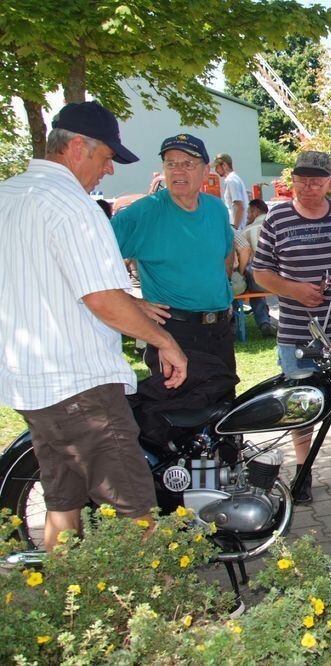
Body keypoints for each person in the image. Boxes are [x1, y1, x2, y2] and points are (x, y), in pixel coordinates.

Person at [0, 101, 188, 550]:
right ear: (77, 147)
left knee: (62, 501)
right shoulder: (72, 205)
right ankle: (154, 595)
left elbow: (45, 281)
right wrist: (164, 341)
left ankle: (66, 589)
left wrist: (132, 305)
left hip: (32, 383)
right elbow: (100, 298)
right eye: (106, 157)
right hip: (80, 386)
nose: (109, 169)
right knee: (133, 511)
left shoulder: (9, 194)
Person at [252, 151, 331, 504]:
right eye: (302, 181)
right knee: (301, 403)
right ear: (293, 182)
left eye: (316, 182)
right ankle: (303, 470)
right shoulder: (277, 219)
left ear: (329, 183)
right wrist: (294, 290)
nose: (308, 188)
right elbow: (260, 272)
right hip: (297, 332)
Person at [112, 133, 238, 400]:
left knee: (225, 412)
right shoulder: (143, 212)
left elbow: (226, 252)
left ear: (205, 170)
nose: (178, 171)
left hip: (220, 331)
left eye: (188, 164)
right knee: (180, 415)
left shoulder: (216, 208)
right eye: (171, 164)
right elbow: (88, 261)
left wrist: (224, 292)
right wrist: (130, 302)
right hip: (174, 332)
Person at [242, 198, 276, 336]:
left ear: (255, 211)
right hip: (284, 280)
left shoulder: (247, 230)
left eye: (248, 212)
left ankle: (263, 322)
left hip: (259, 282)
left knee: (251, 277)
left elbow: (242, 256)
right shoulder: (278, 227)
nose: (247, 216)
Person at [214, 153, 249, 230]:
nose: (216, 170)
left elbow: (239, 206)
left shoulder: (231, 180)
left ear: (224, 165)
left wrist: (235, 228)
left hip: (237, 229)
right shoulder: (235, 178)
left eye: (217, 167)